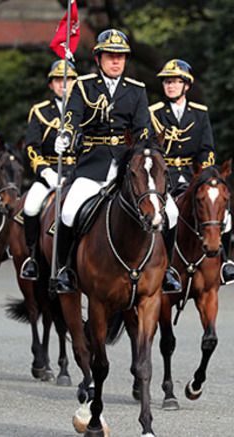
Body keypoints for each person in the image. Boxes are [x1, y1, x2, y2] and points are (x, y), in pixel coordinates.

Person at [54, 29, 181, 294]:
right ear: (98, 58)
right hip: (93, 164)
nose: (116, 61)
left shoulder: (136, 90)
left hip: (128, 166)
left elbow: (143, 129)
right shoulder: (83, 85)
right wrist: (65, 136)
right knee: (68, 211)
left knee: (170, 211)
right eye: (111, 56)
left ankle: (167, 270)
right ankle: (64, 269)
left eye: (121, 57)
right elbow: (72, 118)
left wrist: (145, 153)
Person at [149, 58, 234, 285]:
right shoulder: (155, 113)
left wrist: (207, 173)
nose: (170, 86)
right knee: (168, 213)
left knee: (224, 216)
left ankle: (225, 263)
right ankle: (167, 266)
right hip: (165, 176)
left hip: (192, 176)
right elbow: (150, 149)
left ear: (186, 86)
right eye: (167, 82)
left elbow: (207, 148)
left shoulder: (199, 114)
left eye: (175, 82)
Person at [19, 59, 79, 281]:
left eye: (69, 80)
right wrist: (45, 171)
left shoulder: (83, 109)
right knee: (31, 206)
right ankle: (33, 257)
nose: (64, 84)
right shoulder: (41, 111)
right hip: (50, 172)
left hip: (79, 172)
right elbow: (32, 147)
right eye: (58, 80)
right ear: (51, 85)